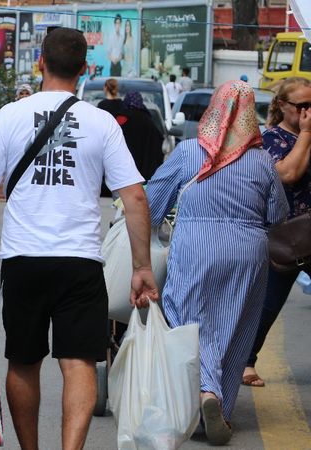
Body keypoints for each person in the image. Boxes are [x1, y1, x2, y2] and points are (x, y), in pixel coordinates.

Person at [0, 28, 159, 450]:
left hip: (24, 259)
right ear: (85, 71)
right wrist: (142, 267)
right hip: (80, 262)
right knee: (79, 364)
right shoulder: (102, 123)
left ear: (40, 63)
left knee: (23, 361)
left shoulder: (9, 117)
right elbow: (134, 196)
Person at [146, 80, 288, 445]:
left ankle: (205, 391)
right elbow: (278, 215)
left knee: (187, 319)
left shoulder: (189, 151)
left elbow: (152, 204)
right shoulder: (263, 161)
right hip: (248, 250)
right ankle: (220, 408)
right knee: (235, 323)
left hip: (195, 245)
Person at [243, 77, 311, 388]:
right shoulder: (270, 139)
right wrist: (307, 135)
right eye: (302, 106)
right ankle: (246, 361)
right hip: (288, 237)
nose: (307, 113)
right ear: (283, 106)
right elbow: (288, 174)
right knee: (269, 303)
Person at [118, 92, 164, 180]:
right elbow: (158, 145)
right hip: (145, 175)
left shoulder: (121, 119)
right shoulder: (148, 120)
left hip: (124, 174)